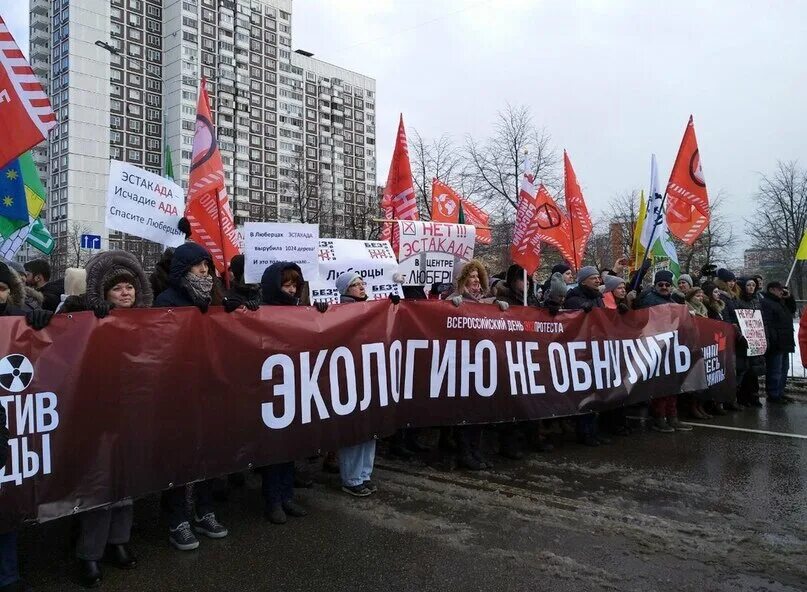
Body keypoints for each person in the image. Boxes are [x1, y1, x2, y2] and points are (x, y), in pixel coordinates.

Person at [60, 250, 151, 587]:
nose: (125, 293)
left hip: (132, 413)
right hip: (96, 416)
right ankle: (90, 555)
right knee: (98, 488)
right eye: (117, 288)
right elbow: (61, 328)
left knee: (126, 486)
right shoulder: (85, 315)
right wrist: (78, 311)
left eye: (129, 286)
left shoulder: (150, 319)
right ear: (103, 293)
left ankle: (119, 542)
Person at [153, 242, 228, 550]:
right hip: (177, 391)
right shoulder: (166, 300)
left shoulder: (215, 299)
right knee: (179, 456)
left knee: (207, 452)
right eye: (198, 265)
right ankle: (177, 518)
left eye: (207, 265)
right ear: (184, 268)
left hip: (207, 388)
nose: (205, 270)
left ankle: (204, 510)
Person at [254, 261, 326, 521]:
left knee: (290, 449)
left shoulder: (300, 311)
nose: (292, 290)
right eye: (287, 285)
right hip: (270, 389)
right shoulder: (261, 312)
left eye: (295, 285)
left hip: (294, 386)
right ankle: (273, 501)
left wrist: (320, 314)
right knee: (274, 451)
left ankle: (287, 497)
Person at [335, 271, 381, 493]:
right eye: (355, 284)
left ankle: (364, 473)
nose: (362, 287)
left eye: (362, 283)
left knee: (370, 428)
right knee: (354, 430)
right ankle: (351, 479)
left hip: (369, 375)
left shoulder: (372, 309)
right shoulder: (339, 311)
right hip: (349, 377)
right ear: (345, 290)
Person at [636, 270, 693, 433]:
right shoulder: (649, 299)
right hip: (656, 346)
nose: (664, 287)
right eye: (660, 284)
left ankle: (673, 417)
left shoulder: (673, 299)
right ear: (655, 285)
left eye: (667, 285)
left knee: (673, 384)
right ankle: (659, 418)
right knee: (660, 384)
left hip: (672, 346)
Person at [564, 267, 611, 445]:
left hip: (597, 349)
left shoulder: (598, 297)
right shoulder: (574, 297)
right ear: (583, 281)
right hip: (581, 352)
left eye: (599, 278)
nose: (598, 281)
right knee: (585, 394)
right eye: (593, 278)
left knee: (596, 393)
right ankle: (584, 432)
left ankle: (594, 431)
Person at [759, 282, 796, 405]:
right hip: (777, 342)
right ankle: (774, 394)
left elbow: (792, 309)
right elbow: (768, 323)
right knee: (775, 370)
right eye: (779, 290)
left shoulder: (781, 302)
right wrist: (773, 339)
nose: (782, 292)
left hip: (785, 340)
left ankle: (780, 391)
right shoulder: (767, 303)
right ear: (771, 290)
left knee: (784, 369)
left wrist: (789, 298)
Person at [732, 277, 766, 408]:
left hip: (755, 339)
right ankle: (742, 397)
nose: (751, 287)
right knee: (744, 370)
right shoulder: (738, 301)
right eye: (748, 285)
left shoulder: (756, 301)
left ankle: (754, 396)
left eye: (753, 285)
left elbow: (762, 321)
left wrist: (764, 337)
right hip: (743, 341)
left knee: (754, 370)